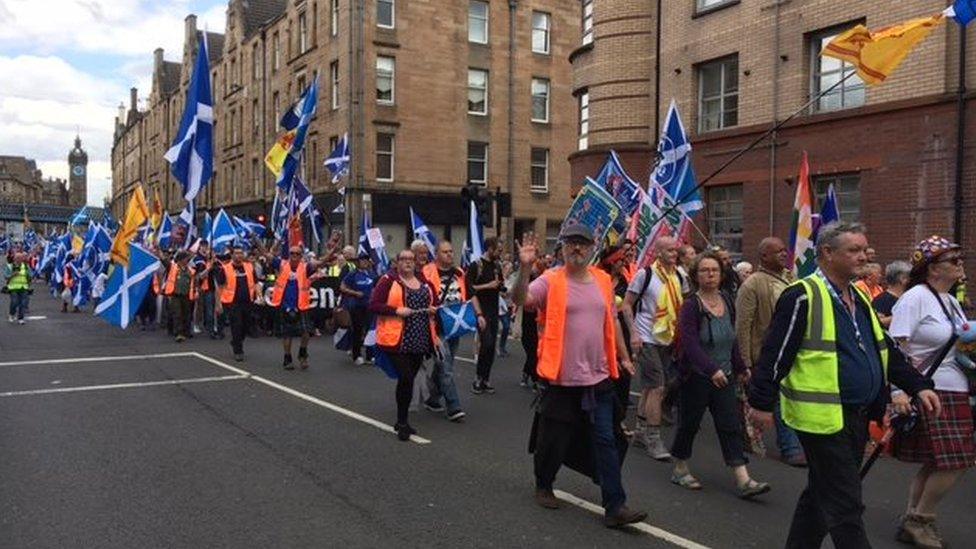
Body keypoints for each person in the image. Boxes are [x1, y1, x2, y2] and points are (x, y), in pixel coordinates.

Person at [748, 222, 940, 549]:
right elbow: (775, 353)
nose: (863, 256)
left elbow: (885, 350)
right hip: (821, 419)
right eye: (854, 250)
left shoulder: (860, 298)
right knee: (845, 501)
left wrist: (918, 384)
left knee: (821, 494)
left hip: (855, 414)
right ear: (827, 253)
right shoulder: (801, 295)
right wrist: (761, 402)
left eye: (864, 249)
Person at [514, 226, 646, 528]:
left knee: (607, 439)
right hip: (560, 378)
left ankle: (615, 506)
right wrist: (524, 268)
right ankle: (544, 483)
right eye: (572, 243)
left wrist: (623, 357)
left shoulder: (601, 280)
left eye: (583, 244)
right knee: (553, 441)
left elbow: (611, 323)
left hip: (598, 377)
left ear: (592, 248)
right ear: (562, 248)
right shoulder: (550, 279)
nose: (577, 248)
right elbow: (521, 299)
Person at [889, 236, 972, 549]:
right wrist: (898, 391)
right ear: (933, 269)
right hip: (931, 388)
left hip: (954, 387)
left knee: (939, 461)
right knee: (956, 461)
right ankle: (921, 519)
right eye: (953, 260)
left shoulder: (949, 300)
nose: (960, 263)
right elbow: (895, 347)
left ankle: (913, 517)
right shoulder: (916, 298)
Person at [671, 251, 771, 498]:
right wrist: (710, 369)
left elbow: (731, 338)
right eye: (704, 270)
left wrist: (740, 367)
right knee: (689, 424)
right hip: (696, 377)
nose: (710, 275)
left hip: (724, 376)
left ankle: (743, 478)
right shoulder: (691, 306)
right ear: (695, 275)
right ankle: (680, 467)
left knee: (729, 426)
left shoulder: (727, 300)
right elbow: (691, 344)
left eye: (714, 270)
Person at [735, 237, 803, 466]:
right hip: (766, 354)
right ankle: (790, 447)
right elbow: (743, 325)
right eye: (778, 252)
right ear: (764, 256)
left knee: (789, 398)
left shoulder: (792, 280)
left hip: (792, 353)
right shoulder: (752, 284)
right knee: (778, 399)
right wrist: (745, 361)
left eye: (785, 251)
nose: (784, 254)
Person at [621, 236, 682, 460]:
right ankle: (653, 439)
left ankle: (639, 431)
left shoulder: (679, 276)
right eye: (669, 250)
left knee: (649, 388)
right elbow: (627, 304)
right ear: (658, 252)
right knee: (658, 387)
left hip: (667, 338)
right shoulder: (645, 275)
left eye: (675, 250)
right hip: (646, 337)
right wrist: (634, 333)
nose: (674, 254)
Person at [370, 248, 440, 441]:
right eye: (404, 259)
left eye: (411, 259)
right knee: (406, 377)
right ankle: (402, 421)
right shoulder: (388, 281)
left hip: (420, 337)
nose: (408, 262)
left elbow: (437, 302)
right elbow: (374, 305)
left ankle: (403, 419)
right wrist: (396, 310)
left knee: (408, 378)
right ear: (397, 262)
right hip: (397, 338)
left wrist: (434, 309)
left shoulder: (424, 283)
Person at [421, 241, 480, 421]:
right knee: (445, 367)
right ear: (436, 254)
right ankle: (454, 407)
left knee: (444, 364)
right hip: (436, 326)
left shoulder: (459, 272)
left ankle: (432, 398)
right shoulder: (427, 271)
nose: (449, 254)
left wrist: (479, 315)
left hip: (455, 324)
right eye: (445, 252)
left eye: (451, 251)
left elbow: (470, 295)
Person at [264, 238, 340, 370]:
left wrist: (332, 251)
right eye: (292, 253)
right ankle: (287, 358)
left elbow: (321, 262)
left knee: (306, 333)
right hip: (285, 305)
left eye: (297, 254)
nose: (294, 256)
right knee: (287, 335)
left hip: (301, 305)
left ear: (301, 256)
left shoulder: (306, 267)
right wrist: (257, 240)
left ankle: (302, 353)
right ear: (289, 255)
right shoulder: (282, 265)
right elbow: (267, 255)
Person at [467, 236, 503, 394]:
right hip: (481, 310)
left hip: (494, 309)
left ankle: (486, 378)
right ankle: (478, 377)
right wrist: (487, 286)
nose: (499, 253)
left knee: (491, 346)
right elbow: (469, 288)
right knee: (486, 343)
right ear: (489, 248)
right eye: (498, 250)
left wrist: (503, 287)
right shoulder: (476, 265)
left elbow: (499, 284)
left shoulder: (496, 266)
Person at [215, 246, 259, 361]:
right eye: (236, 253)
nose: (239, 255)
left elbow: (255, 283)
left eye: (241, 253)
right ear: (232, 255)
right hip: (232, 302)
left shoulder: (249, 267)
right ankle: (238, 351)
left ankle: (236, 341)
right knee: (237, 325)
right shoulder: (225, 268)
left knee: (246, 326)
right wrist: (218, 303)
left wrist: (259, 296)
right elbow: (219, 287)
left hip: (248, 301)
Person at [340, 252, 376, 365]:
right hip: (357, 306)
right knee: (358, 330)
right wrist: (355, 293)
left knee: (370, 330)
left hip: (369, 306)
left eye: (366, 260)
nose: (364, 262)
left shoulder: (371, 274)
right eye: (362, 260)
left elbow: (376, 286)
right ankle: (357, 355)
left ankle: (370, 355)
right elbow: (342, 286)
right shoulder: (353, 274)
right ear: (358, 262)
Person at [161, 251, 197, 342]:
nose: (187, 260)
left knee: (187, 314)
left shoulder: (191, 270)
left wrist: (196, 292)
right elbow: (164, 261)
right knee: (177, 314)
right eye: (185, 258)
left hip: (187, 295)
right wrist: (158, 251)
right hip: (175, 295)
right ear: (181, 259)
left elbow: (195, 282)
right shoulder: (173, 267)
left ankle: (186, 331)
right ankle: (179, 333)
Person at [873, 260, 911, 328]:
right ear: (902, 279)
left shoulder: (907, 298)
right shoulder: (882, 300)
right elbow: (877, 322)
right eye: (909, 277)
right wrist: (901, 316)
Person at [5, 252, 32, 324]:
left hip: (24, 287)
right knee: (14, 302)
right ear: (14, 258)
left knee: (23, 304)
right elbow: (6, 276)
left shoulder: (26, 266)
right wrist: (13, 275)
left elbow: (30, 275)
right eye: (17, 258)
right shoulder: (10, 266)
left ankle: (21, 318)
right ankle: (11, 314)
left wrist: (29, 279)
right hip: (13, 287)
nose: (19, 259)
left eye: (20, 258)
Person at [498, 260, 514, 357]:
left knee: (507, 327)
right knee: (502, 325)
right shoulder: (500, 279)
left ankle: (502, 347)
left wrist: (506, 292)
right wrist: (503, 292)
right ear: (504, 268)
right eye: (508, 268)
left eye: (511, 268)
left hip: (508, 305)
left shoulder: (512, 279)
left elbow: (511, 291)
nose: (510, 270)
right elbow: (498, 291)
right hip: (498, 306)